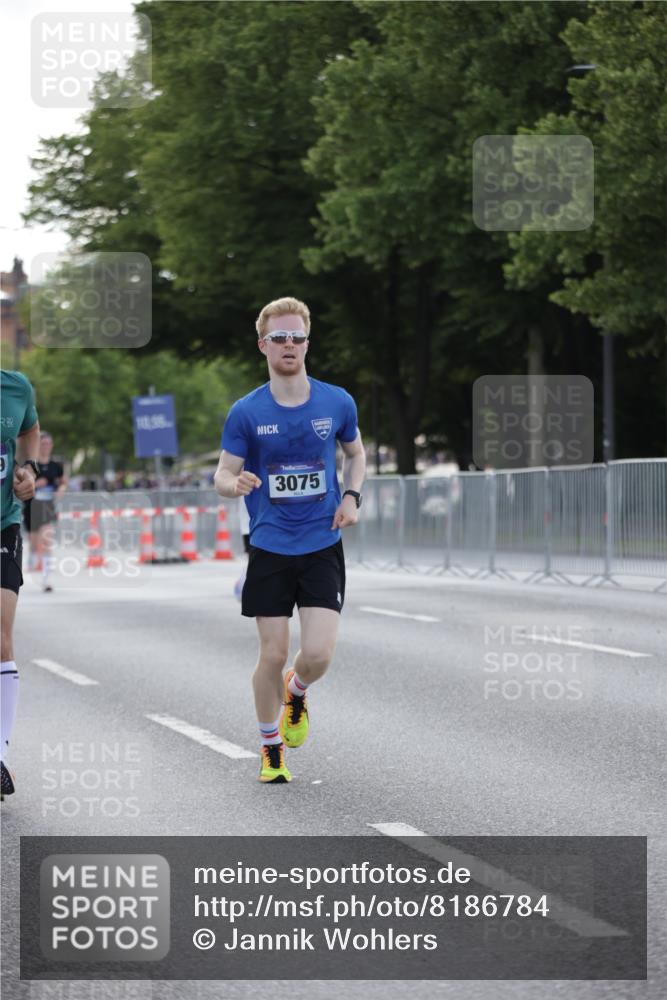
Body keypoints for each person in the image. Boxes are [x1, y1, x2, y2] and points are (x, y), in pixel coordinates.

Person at [215, 296, 366, 783]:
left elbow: (356, 455)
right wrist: (232, 485)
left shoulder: (336, 401)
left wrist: (351, 497)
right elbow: (222, 472)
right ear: (263, 345)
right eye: (279, 337)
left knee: (318, 653)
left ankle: (296, 692)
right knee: (273, 652)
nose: (289, 345)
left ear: (307, 342)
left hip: (321, 541)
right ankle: (270, 746)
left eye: (297, 337)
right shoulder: (247, 412)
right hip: (272, 544)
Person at [1, 369, 40, 800]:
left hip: (3, 525)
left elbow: (30, 428)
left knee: (1, 638)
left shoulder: (16, 386)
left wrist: (28, 467)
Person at [23, 432, 67, 591]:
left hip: (48, 507)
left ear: (51, 445)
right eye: (43, 443)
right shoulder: (31, 465)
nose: (46, 446)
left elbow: (63, 482)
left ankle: (46, 580)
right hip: (31, 507)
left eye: (48, 443)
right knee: (34, 545)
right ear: (38, 445)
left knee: (47, 541)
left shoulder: (57, 466)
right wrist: (35, 484)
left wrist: (61, 489)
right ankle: (32, 558)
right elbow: (22, 484)